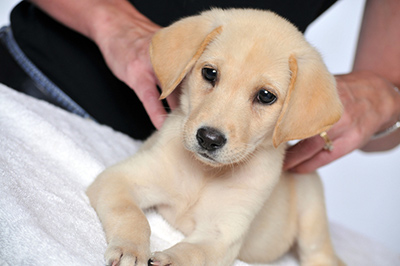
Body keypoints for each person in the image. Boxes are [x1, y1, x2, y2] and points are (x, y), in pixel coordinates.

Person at [1, 0, 399, 173]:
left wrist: (385, 98)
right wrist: (112, 22)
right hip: (40, 88)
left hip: (208, 177)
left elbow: (374, 137)